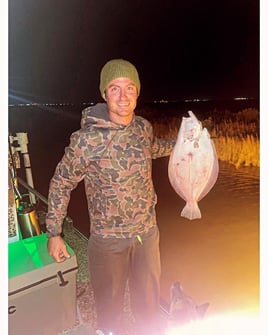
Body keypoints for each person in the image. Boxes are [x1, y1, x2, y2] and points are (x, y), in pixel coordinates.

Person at [46, 59, 176, 335]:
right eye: (115, 88)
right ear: (104, 94)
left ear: (137, 92)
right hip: (108, 240)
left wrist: (184, 144)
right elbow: (61, 183)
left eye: (130, 88)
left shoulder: (143, 127)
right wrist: (54, 232)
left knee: (149, 306)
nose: (123, 96)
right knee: (109, 310)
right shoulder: (86, 139)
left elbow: (151, 149)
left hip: (146, 233)